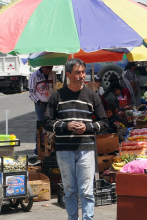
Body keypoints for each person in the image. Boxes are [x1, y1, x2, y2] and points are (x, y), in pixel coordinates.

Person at [43, 58, 108, 220]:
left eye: (83, 72)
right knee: (70, 189)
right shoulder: (56, 96)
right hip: (64, 150)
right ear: (68, 74)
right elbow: (47, 122)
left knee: (86, 190)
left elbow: (104, 122)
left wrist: (88, 127)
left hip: (86, 149)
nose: (81, 76)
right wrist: (66, 126)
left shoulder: (92, 96)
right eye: (77, 72)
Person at [28, 65, 56, 155]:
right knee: (41, 126)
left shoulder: (53, 74)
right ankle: (39, 149)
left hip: (51, 103)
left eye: (50, 68)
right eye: (46, 68)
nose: (48, 71)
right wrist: (40, 103)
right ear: (42, 67)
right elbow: (31, 93)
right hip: (40, 104)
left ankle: (51, 148)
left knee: (52, 125)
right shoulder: (34, 75)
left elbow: (54, 88)